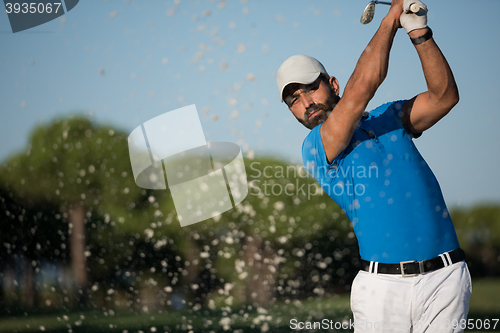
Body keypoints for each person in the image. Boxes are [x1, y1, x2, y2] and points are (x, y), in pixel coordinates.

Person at [276, 0, 471, 332]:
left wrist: (419, 31)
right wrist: (392, 17)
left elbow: (444, 97)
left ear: (332, 84)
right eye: (294, 99)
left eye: (312, 88)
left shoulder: (390, 117)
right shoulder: (316, 146)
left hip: (447, 277)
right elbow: (363, 87)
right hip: (383, 288)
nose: (306, 102)